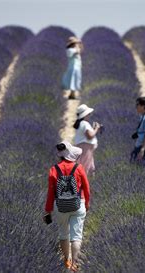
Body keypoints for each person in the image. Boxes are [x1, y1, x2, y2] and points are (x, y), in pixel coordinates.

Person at [44, 140, 90, 271]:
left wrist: (48, 211)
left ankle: (67, 261)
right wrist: (87, 203)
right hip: (78, 204)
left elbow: (51, 193)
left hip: (60, 206)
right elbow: (87, 188)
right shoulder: (79, 168)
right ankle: (75, 263)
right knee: (76, 236)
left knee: (63, 234)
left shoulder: (53, 170)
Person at [74, 104, 102, 174]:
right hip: (86, 148)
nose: (89, 115)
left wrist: (93, 129)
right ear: (85, 115)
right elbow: (89, 136)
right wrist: (96, 128)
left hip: (83, 147)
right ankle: (86, 184)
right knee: (86, 168)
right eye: (88, 114)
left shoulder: (81, 123)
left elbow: (86, 134)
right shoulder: (84, 123)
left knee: (89, 167)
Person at [130, 97, 145, 167]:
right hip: (140, 144)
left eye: (137, 105)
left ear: (143, 106)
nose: (136, 107)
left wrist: (142, 149)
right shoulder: (143, 116)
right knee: (134, 161)